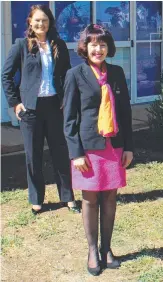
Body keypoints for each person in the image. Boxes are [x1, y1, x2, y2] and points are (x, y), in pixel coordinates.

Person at [63, 24, 134, 276]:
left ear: (108, 48)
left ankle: (107, 248)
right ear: (85, 47)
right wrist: (76, 153)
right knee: (90, 199)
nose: (98, 49)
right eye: (93, 44)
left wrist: (128, 147)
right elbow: (69, 118)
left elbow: (125, 113)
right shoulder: (75, 74)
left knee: (110, 198)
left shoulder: (116, 73)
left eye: (102, 44)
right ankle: (93, 250)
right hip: (88, 148)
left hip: (113, 146)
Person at [1, 5, 79, 215]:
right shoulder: (21, 45)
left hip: (55, 105)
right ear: (30, 22)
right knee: (33, 155)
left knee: (60, 152)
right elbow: (6, 75)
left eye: (44, 20)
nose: (40, 24)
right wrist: (15, 103)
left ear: (50, 23)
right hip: (31, 109)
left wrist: (66, 99)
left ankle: (68, 196)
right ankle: (37, 200)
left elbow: (67, 75)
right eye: (36, 20)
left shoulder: (59, 45)